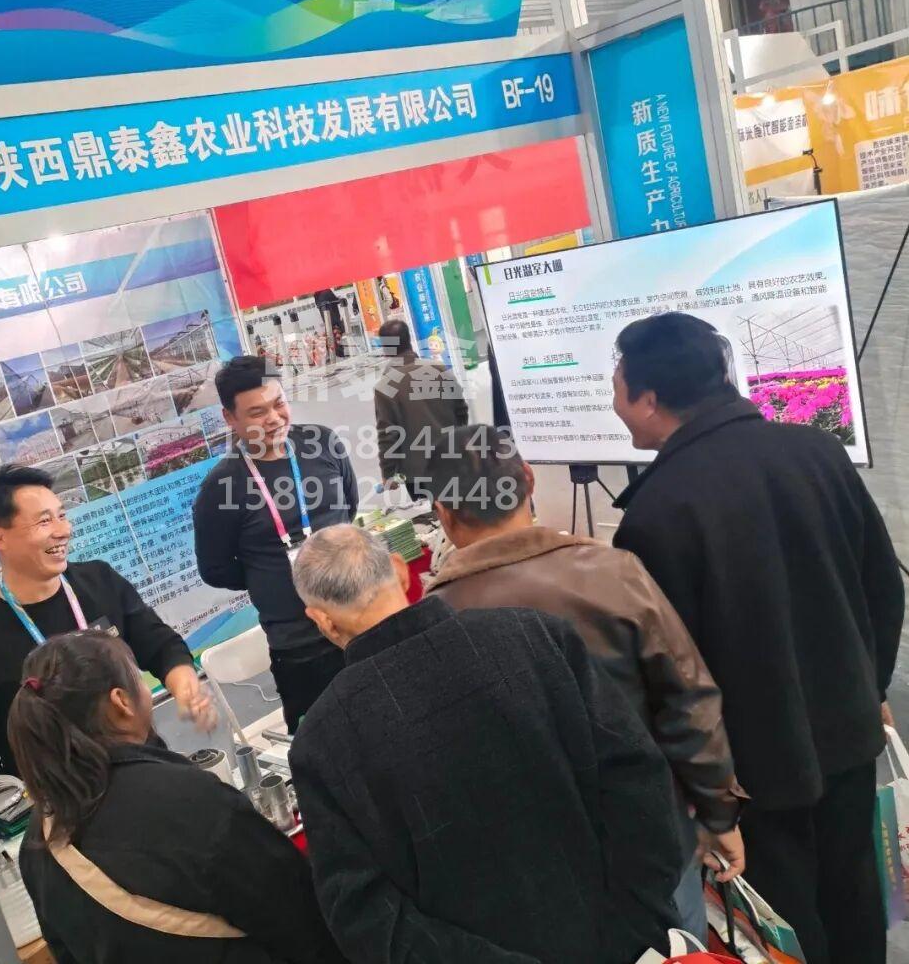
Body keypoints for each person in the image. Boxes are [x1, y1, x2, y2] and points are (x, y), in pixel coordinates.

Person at [610, 312, 905, 964]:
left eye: (618, 387)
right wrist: (870, 686)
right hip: (848, 729)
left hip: (752, 768)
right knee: (855, 896)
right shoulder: (817, 451)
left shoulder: (656, 513)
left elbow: (672, 681)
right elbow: (883, 587)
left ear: (649, 399)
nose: (615, 404)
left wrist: (709, 799)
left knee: (783, 923)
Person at [289, 525, 682, 964]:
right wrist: (636, 922)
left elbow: (365, 915)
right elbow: (638, 776)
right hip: (626, 943)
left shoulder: (320, 741)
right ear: (401, 571)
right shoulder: (534, 635)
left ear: (321, 620)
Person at [423, 424, 745, 940]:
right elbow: (688, 701)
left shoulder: (433, 620)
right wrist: (719, 812)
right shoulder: (613, 572)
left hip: (533, 872)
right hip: (651, 837)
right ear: (528, 480)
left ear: (442, 512)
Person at [10, 631, 342, 964]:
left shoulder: (39, 841)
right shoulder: (192, 803)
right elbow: (299, 915)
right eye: (137, 675)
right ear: (121, 701)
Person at [0, 465, 214, 777]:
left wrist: (185, 685)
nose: (63, 530)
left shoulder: (100, 581)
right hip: (61, 792)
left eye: (62, 515)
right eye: (44, 521)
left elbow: (160, 645)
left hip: (144, 764)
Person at [194, 356, 358, 733]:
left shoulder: (322, 443)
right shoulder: (222, 487)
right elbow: (216, 569)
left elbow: (348, 508)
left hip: (359, 620)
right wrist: (270, 575)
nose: (274, 419)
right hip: (300, 645)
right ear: (230, 418)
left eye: (279, 403)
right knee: (325, 743)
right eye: (257, 412)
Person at [374, 318, 469, 500]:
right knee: (462, 508)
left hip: (418, 473)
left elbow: (388, 434)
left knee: (434, 512)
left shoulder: (385, 386)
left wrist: (388, 474)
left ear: (386, 349)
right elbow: (461, 410)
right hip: (454, 459)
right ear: (409, 340)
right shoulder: (438, 369)